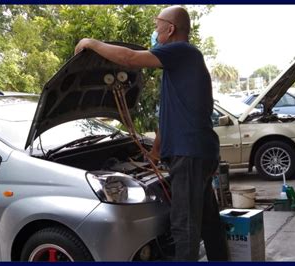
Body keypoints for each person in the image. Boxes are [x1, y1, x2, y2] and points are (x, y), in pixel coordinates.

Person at [75, 5, 228, 262]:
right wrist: (154, 154)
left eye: (157, 26)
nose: (155, 32)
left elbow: (130, 59)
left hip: (189, 155)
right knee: (208, 222)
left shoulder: (182, 51)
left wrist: (92, 43)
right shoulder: (177, 69)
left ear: (170, 29)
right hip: (197, 152)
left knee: (184, 227)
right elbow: (169, 119)